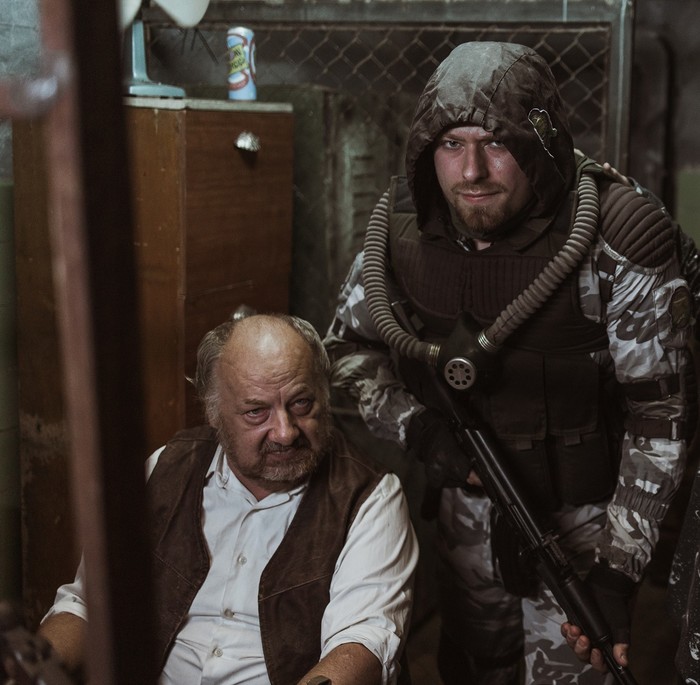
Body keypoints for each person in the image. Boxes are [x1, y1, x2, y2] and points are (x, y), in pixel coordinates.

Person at [324, 41, 695, 684]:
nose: (471, 171)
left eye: (496, 142)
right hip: (466, 517)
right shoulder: (403, 236)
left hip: (587, 529)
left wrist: (617, 572)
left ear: (540, 145)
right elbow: (345, 352)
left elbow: (660, 416)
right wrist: (419, 429)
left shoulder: (614, 238)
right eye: (451, 144)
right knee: (473, 666)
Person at [39, 313, 419, 685]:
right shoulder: (165, 469)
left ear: (324, 394)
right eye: (256, 412)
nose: (285, 432)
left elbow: (360, 648)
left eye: (301, 403)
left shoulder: (369, 498)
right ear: (214, 412)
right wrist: (34, 669)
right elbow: (89, 604)